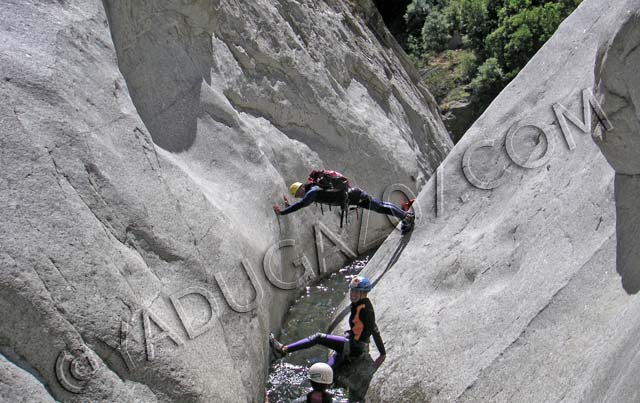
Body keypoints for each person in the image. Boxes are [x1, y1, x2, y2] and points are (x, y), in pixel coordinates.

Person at [269, 276, 386, 371]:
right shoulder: (358, 304)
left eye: (356, 292)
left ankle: (283, 350)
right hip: (350, 343)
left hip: (355, 347)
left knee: (318, 337)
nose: (352, 294)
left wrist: (382, 354)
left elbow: (374, 330)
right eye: (352, 290)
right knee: (326, 372)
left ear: (364, 293)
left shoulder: (365, 309)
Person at [273, 172, 415, 232]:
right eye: (297, 195)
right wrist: (288, 205)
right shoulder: (313, 189)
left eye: (299, 192)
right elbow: (301, 203)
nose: (300, 195)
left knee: (380, 207)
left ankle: (406, 217)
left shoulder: (312, 192)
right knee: (380, 207)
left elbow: (300, 205)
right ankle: (405, 216)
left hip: (354, 196)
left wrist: (283, 212)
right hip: (353, 195)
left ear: (302, 187)